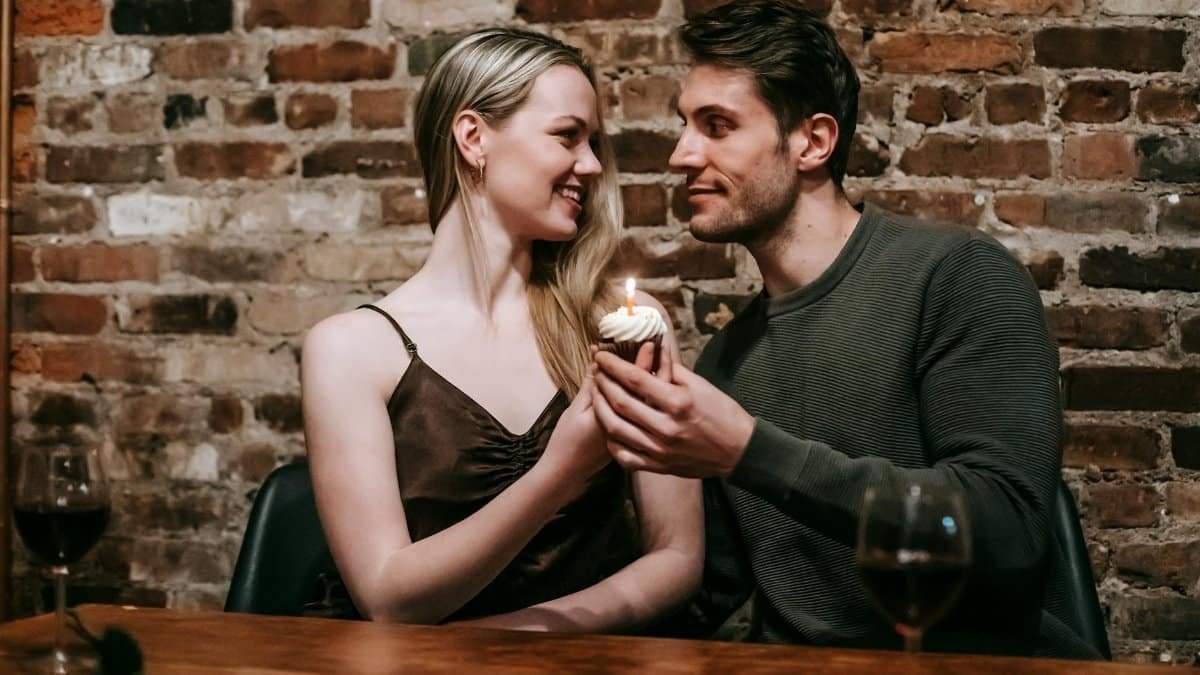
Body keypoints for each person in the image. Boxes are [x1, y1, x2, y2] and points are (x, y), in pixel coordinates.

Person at [590, 0, 1097, 658]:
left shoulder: (956, 277)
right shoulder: (724, 362)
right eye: (685, 125)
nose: (681, 154)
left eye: (717, 125)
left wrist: (747, 449)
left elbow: (1007, 529)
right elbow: (705, 595)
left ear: (814, 141)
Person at [301, 28, 701, 631]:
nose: (591, 165)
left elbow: (678, 556)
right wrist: (559, 471)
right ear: (473, 137)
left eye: (593, 142)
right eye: (568, 135)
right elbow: (387, 596)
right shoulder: (350, 349)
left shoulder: (625, 325)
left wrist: (520, 636)